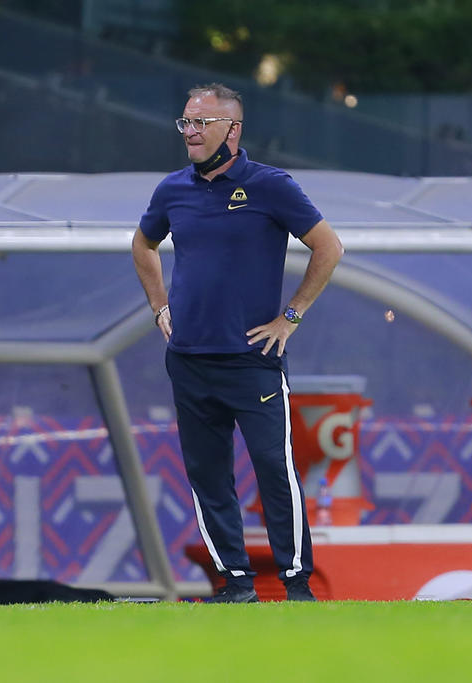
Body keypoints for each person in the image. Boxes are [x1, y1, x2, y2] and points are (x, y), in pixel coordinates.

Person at [132, 83, 344, 603]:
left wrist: (289, 317)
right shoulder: (172, 190)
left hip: (254, 361)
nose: (191, 132)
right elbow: (143, 243)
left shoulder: (271, 186)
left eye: (202, 122)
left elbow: (328, 246)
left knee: (275, 470)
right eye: (186, 122)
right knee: (208, 476)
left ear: (234, 129)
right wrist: (160, 307)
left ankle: (297, 584)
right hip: (189, 361)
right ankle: (236, 582)